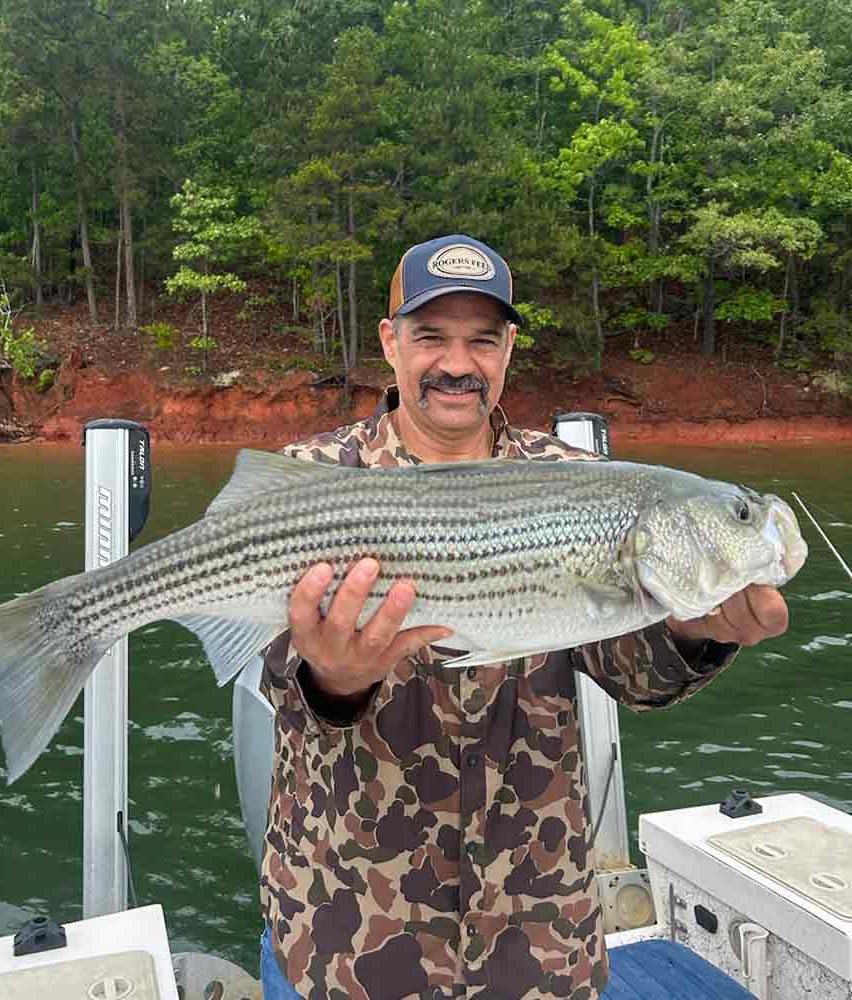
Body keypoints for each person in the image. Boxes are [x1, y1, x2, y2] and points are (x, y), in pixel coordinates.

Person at [256, 234, 789, 1000]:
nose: (457, 364)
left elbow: (627, 673)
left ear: (509, 348)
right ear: (389, 341)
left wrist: (694, 631)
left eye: (482, 340)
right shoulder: (313, 477)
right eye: (430, 336)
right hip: (353, 920)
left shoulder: (578, 479)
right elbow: (274, 676)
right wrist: (330, 678)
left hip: (534, 923)